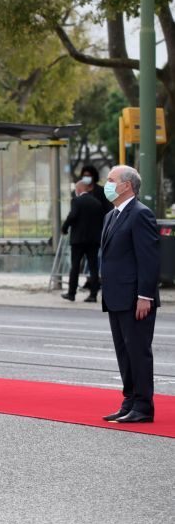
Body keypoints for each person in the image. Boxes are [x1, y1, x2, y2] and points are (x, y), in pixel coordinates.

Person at [99, 165, 160, 424]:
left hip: (135, 298)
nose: (107, 184)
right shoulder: (111, 215)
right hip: (115, 296)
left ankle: (144, 406)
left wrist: (145, 295)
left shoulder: (140, 214)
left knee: (137, 351)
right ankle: (129, 400)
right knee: (123, 352)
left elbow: (148, 259)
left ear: (126, 185)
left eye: (111, 180)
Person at [61, 180, 104, 303]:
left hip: (78, 240)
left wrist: (64, 228)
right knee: (93, 267)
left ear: (78, 190)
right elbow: (101, 220)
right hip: (93, 240)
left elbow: (72, 215)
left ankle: (71, 293)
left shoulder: (76, 201)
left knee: (75, 266)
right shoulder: (97, 203)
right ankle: (93, 295)